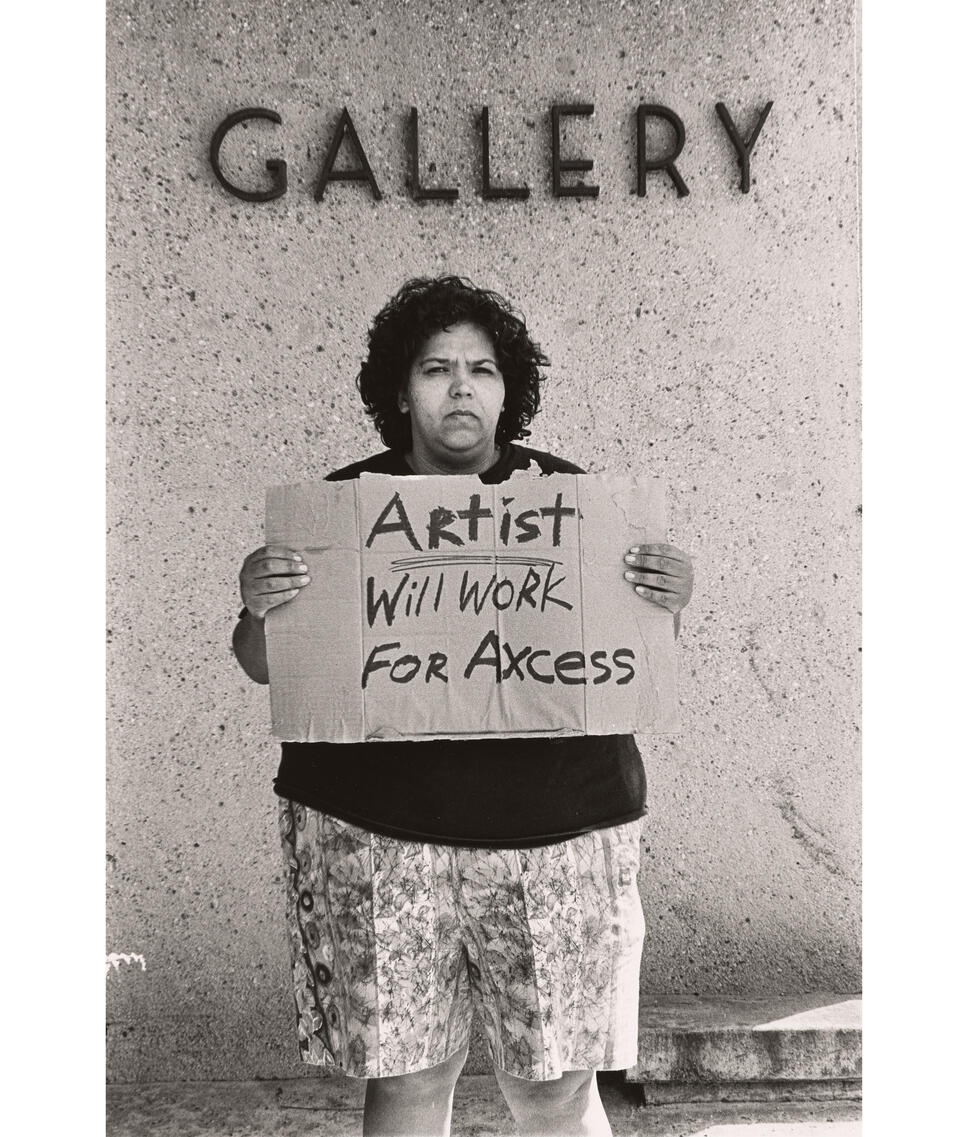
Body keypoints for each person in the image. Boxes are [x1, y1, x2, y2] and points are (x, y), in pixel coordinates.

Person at [233, 276, 693, 1136]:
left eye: (481, 369)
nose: (460, 387)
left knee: (556, 1088)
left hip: (557, 836)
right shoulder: (341, 513)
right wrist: (260, 602)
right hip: (378, 842)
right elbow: (265, 666)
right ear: (400, 390)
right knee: (407, 1081)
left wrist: (669, 595)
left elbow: (630, 657)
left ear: (507, 388)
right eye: (437, 367)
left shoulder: (575, 507)